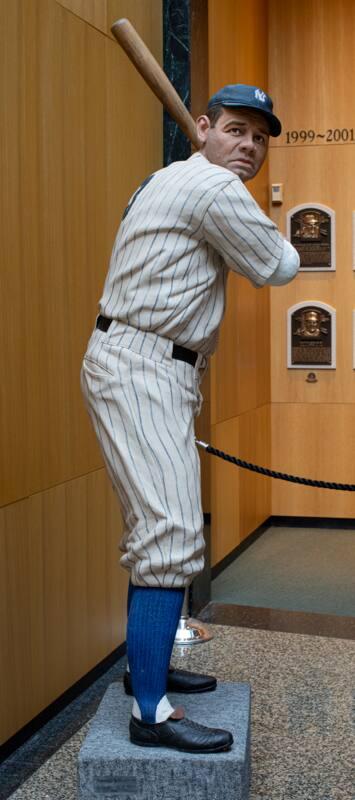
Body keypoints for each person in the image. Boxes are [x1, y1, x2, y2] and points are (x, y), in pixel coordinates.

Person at [81, 84, 300, 754]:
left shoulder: (169, 175)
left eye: (259, 138)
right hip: (141, 364)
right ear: (201, 127)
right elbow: (279, 265)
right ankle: (151, 713)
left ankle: (144, 671)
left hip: (149, 361)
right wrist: (248, 200)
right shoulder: (210, 188)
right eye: (234, 130)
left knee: (159, 531)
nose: (248, 146)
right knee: (170, 532)